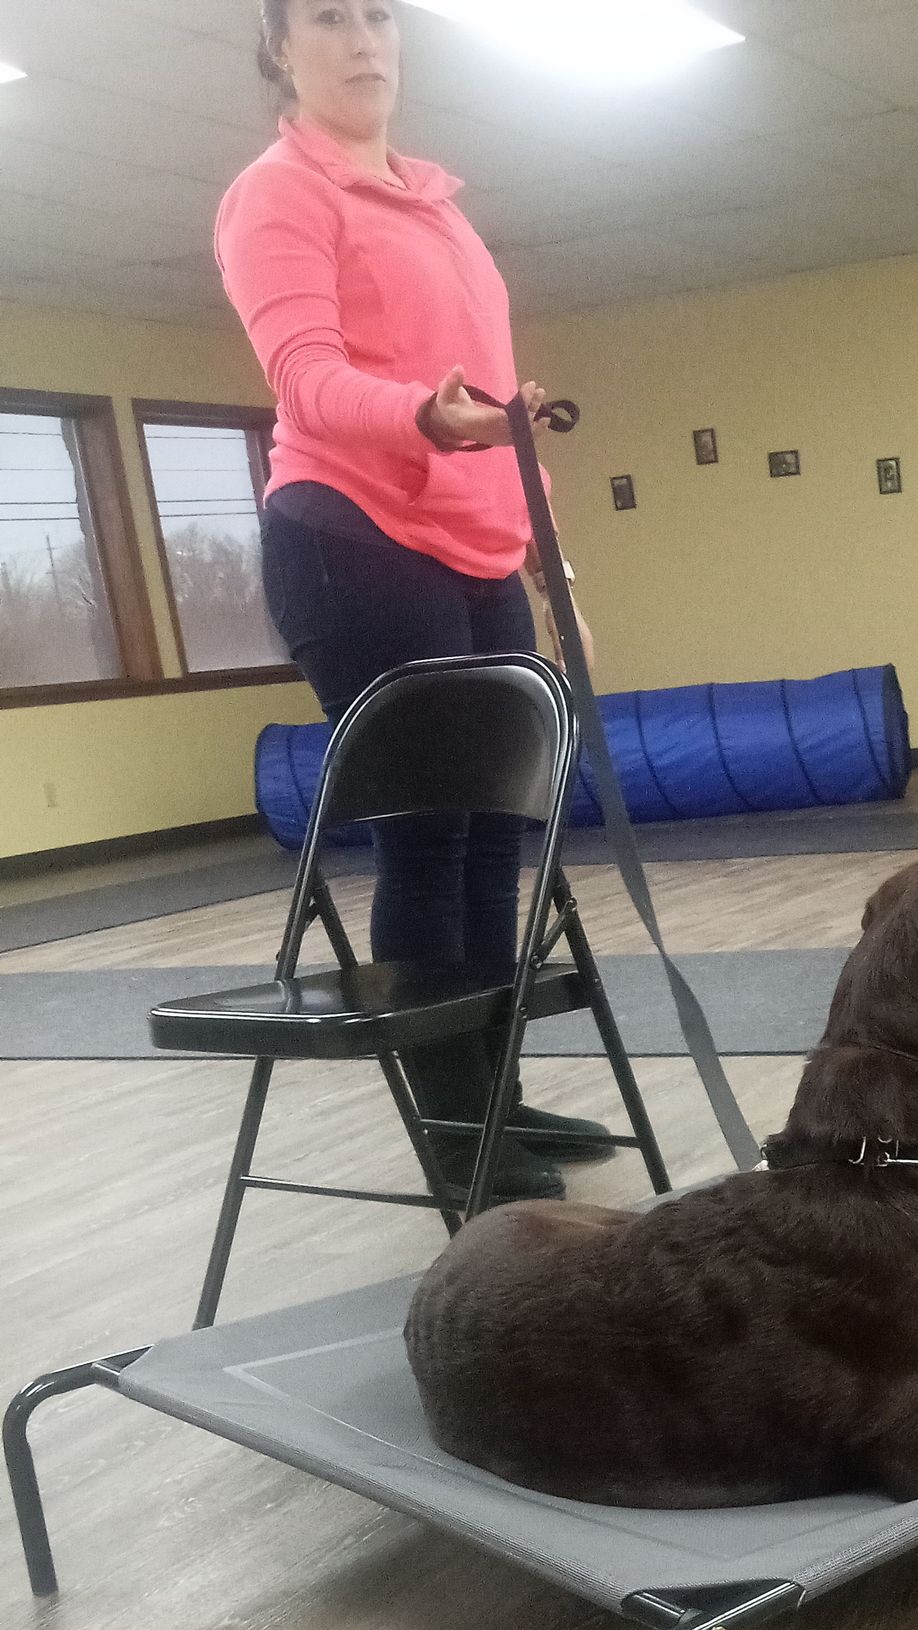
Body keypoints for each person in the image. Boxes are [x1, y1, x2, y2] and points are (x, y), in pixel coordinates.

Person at [217, 0, 611, 1200]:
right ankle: (455, 1137)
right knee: (431, 836)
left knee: (502, 835)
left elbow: (503, 414)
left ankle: (491, 1094)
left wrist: (557, 578)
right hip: (356, 536)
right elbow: (308, 380)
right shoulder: (278, 194)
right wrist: (420, 414)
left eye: (380, 11)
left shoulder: (442, 211)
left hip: (482, 548)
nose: (364, 37)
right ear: (282, 45)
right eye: (329, 16)